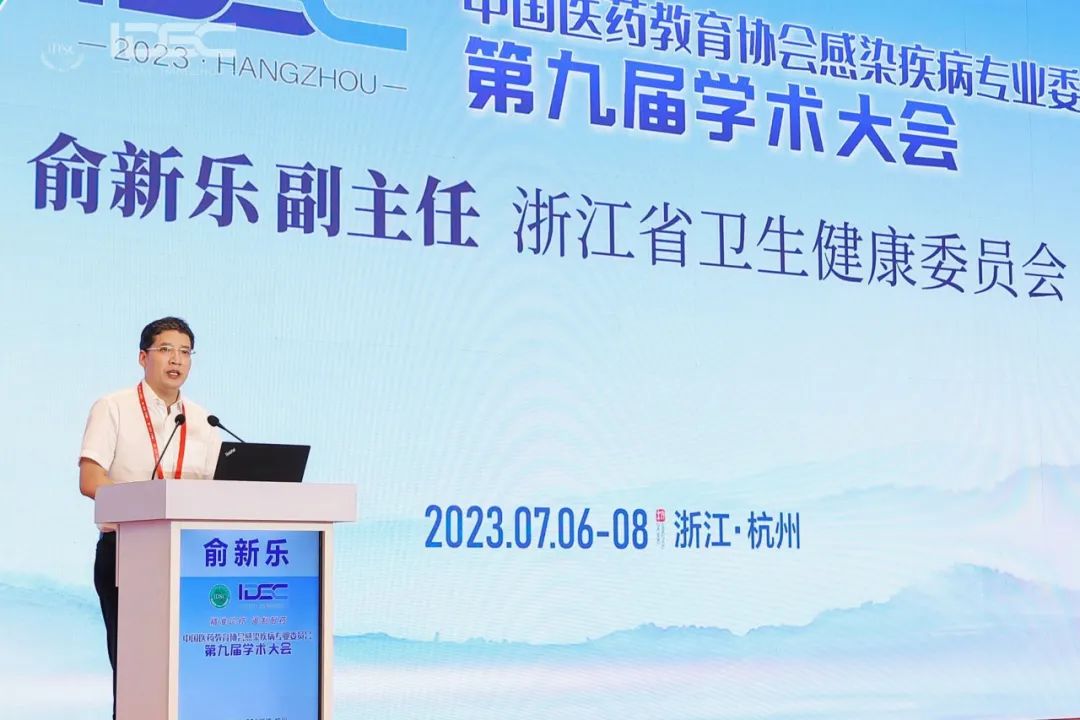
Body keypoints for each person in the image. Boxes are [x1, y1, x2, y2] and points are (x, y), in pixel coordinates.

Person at [78, 317, 222, 719]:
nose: (176, 360)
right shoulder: (113, 408)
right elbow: (90, 480)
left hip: (191, 559)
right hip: (129, 553)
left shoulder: (205, 421)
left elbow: (218, 490)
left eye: (185, 352)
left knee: (186, 668)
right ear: (143, 357)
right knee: (135, 671)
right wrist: (149, 504)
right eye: (166, 350)